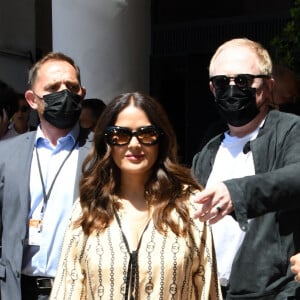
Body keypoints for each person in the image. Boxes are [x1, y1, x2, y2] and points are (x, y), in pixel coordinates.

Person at [50, 91, 222, 300]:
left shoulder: (190, 207)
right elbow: (67, 290)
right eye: (120, 135)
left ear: (161, 139)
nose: (134, 144)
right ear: (108, 142)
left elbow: (207, 291)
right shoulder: (87, 209)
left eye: (146, 133)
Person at [191, 38, 300, 299]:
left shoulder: (290, 129)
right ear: (212, 88)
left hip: (273, 292)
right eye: (221, 82)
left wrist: (237, 193)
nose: (232, 89)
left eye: (242, 81)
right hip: (212, 291)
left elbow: (295, 176)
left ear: (268, 85)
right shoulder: (208, 148)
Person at [0, 52, 93, 300]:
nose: (64, 93)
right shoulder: (7, 153)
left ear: (82, 93)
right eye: (53, 87)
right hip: (17, 290)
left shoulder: (100, 153)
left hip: (77, 290)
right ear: (32, 99)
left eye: (71, 87)